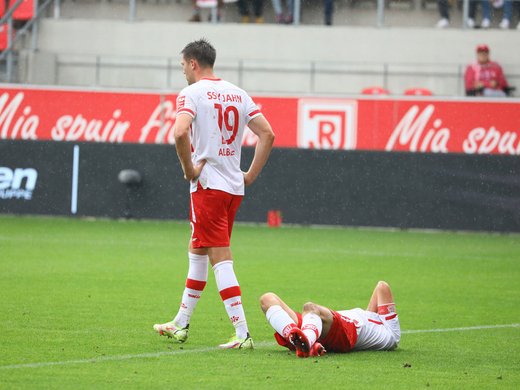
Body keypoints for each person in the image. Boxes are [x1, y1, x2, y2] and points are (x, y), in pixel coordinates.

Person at [154, 38, 275, 349]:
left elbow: (180, 131)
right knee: (198, 251)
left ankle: (243, 333)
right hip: (232, 187)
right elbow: (267, 133)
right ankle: (180, 324)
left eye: (183, 65)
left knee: (220, 258)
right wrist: (249, 175)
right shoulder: (238, 93)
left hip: (208, 186)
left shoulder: (191, 93)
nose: (182, 71)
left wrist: (189, 170)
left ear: (193, 63)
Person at [260, 281, 401, 357]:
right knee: (267, 299)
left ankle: (305, 343)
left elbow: (382, 286)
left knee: (309, 307)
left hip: (346, 331)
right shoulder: (377, 325)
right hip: (317, 327)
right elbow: (370, 311)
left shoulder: (391, 333)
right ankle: (302, 343)